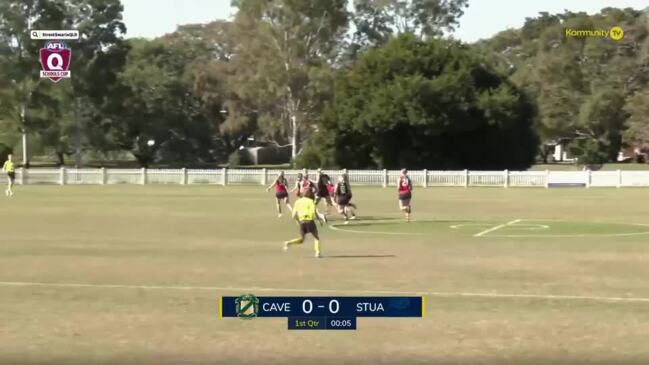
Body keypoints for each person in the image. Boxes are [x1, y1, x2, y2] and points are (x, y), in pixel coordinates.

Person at [283, 190, 323, 258]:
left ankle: (288, 242)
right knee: (316, 237)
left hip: (302, 222)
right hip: (310, 221)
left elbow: (293, 215)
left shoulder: (297, 202)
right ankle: (317, 253)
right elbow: (314, 212)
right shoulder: (311, 201)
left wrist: (298, 221)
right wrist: (319, 220)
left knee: (301, 239)